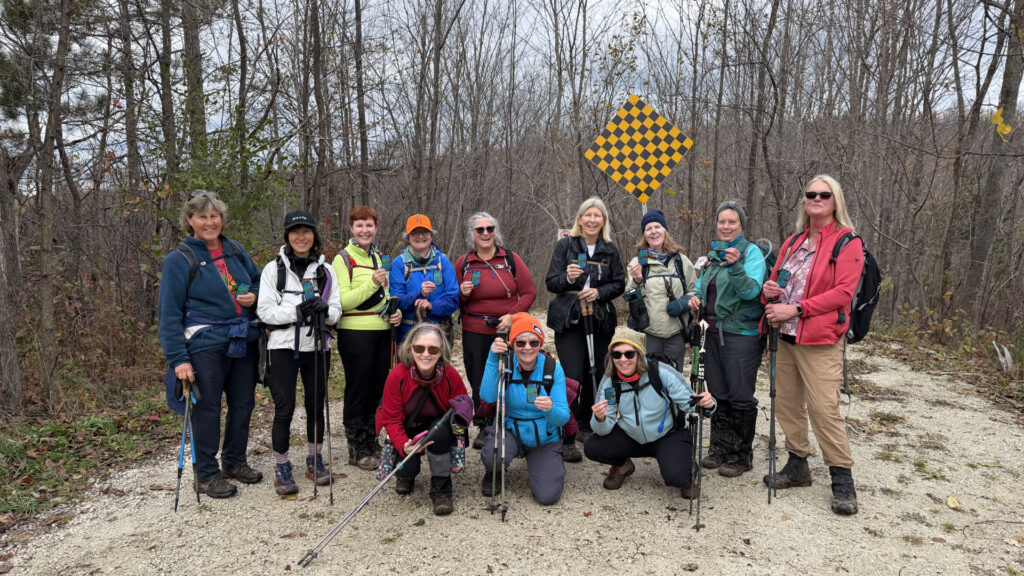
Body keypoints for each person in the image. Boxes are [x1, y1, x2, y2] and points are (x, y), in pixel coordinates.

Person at [762, 175, 865, 515]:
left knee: (824, 408)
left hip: (821, 339)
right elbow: (776, 279)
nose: (817, 198)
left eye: (824, 194)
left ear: (836, 201)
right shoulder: (793, 241)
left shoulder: (847, 242)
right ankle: (797, 463)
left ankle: (841, 476)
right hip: (786, 336)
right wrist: (770, 291)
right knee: (788, 403)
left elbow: (843, 293)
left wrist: (797, 308)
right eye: (811, 194)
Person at [157, 190, 264, 499]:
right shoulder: (180, 260)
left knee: (243, 403)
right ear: (189, 220)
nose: (209, 221)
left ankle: (234, 461)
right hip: (204, 344)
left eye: (214, 215)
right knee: (207, 408)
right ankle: (205, 473)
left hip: (241, 339)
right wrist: (179, 358)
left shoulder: (235, 249)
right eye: (202, 216)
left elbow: (258, 281)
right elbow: (168, 314)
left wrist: (254, 296)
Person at [256, 210, 342, 495]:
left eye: (306, 231)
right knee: (285, 407)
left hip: (317, 345)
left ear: (314, 235)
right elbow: (264, 310)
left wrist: (325, 310)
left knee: (316, 406)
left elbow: (337, 312)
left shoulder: (325, 271)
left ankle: (314, 459)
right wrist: (296, 312)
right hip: (282, 346)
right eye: (295, 232)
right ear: (287, 236)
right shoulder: (273, 270)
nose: (301, 237)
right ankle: (282, 465)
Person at [584, 329, 715, 498]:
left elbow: (690, 403)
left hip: (668, 434)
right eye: (617, 355)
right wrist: (599, 419)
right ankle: (622, 466)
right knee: (592, 447)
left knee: (678, 477)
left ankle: (686, 469)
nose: (623, 360)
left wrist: (708, 404)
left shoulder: (662, 373)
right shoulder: (610, 381)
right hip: (632, 435)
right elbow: (603, 429)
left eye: (629, 354)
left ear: (639, 354)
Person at [687, 201, 766, 478]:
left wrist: (735, 267)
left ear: (741, 225)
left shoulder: (751, 253)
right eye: (722, 221)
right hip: (712, 332)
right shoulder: (713, 255)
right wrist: (694, 299)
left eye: (732, 222)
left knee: (740, 394)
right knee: (718, 392)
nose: (726, 226)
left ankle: (741, 455)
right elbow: (701, 287)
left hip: (740, 334)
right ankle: (720, 447)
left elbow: (751, 292)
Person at [545, 196, 625, 451]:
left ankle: (589, 422)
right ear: (579, 219)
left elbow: (619, 283)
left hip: (600, 319)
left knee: (598, 372)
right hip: (570, 318)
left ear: (603, 221)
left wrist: (599, 293)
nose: (592, 220)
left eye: (597, 216)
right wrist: (568, 279)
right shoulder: (565, 246)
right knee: (572, 375)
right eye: (587, 215)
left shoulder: (610, 249)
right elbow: (551, 281)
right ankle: (566, 429)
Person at [454, 212, 536, 450]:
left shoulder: (510, 258)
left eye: (490, 228)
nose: (486, 233)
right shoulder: (463, 263)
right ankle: (484, 423)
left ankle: (511, 420)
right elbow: (452, 300)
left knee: (512, 375)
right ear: (472, 234)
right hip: (474, 329)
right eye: (480, 230)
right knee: (479, 378)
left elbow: (529, 292)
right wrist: (463, 293)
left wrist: (513, 316)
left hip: (507, 329)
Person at [377, 323, 474, 515]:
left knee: (440, 434)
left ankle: (441, 486)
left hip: (436, 427)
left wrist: (463, 410)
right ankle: (406, 475)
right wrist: (403, 444)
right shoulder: (397, 376)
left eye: (433, 349)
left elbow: (464, 405)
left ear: (441, 352)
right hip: (406, 428)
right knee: (406, 468)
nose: (426, 354)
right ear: (411, 349)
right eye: (420, 348)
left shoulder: (450, 375)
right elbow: (391, 418)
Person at [332, 206, 402, 470]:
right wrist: (372, 282)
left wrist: (396, 313)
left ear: (376, 228)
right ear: (351, 228)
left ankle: (371, 439)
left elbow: (387, 295)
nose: (364, 230)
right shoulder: (343, 259)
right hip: (355, 333)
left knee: (377, 389)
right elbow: (342, 301)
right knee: (358, 389)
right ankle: (356, 445)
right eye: (359, 225)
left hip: (382, 331)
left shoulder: (379, 258)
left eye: (369, 225)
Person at [479, 313, 570, 505]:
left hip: (544, 436)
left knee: (547, 497)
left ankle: (545, 462)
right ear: (512, 344)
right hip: (510, 429)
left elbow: (562, 418)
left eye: (533, 343)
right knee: (492, 456)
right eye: (520, 343)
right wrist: (492, 358)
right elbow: (487, 396)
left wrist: (550, 408)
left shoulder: (553, 368)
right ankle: (494, 471)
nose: (527, 348)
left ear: (540, 344)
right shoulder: (505, 362)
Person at [623, 208, 697, 371]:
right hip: (648, 335)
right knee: (647, 383)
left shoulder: (681, 261)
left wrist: (684, 303)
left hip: (676, 336)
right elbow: (627, 296)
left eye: (657, 227)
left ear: (665, 230)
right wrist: (636, 280)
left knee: (674, 383)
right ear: (644, 235)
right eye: (648, 229)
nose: (653, 232)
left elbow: (695, 291)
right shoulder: (638, 262)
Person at [389, 214, 459, 342]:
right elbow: (396, 301)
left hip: (439, 333)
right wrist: (419, 294)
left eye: (425, 232)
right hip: (407, 334)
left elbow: (453, 298)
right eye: (415, 233)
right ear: (408, 237)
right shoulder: (398, 264)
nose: (420, 236)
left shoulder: (442, 261)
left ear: (431, 235)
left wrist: (431, 306)